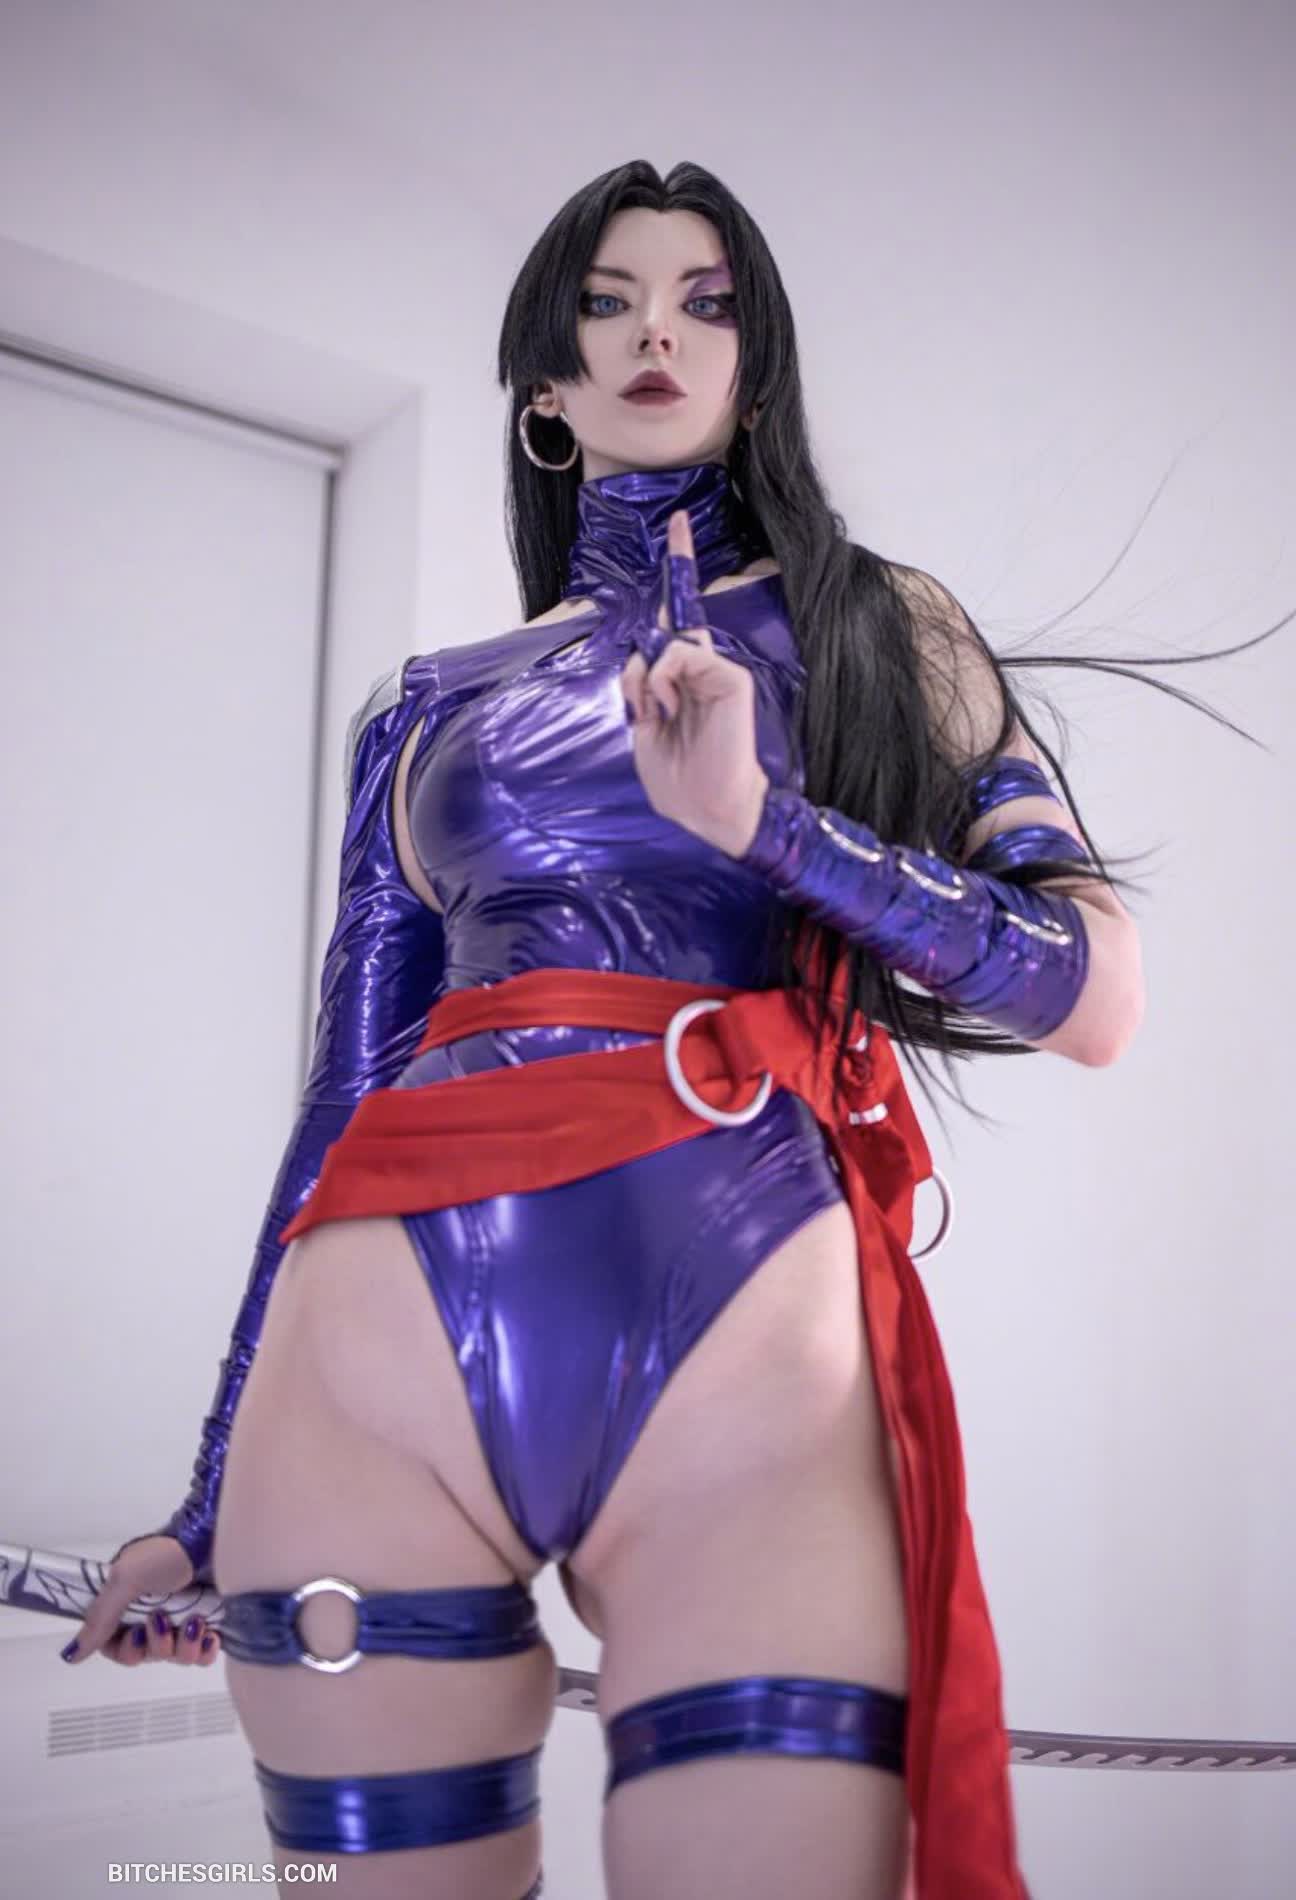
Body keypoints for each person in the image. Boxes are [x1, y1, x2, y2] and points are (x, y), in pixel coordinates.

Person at [62, 160, 1281, 1900]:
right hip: (373, 1366)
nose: (656, 333)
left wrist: (771, 830)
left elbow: (1093, 991)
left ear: (757, 371)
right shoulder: (428, 708)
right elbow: (338, 1105)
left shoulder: (882, 629)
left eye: (706, 303)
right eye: (606, 301)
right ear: (544, 387)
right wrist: (199, 1508)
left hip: (743, 1345)